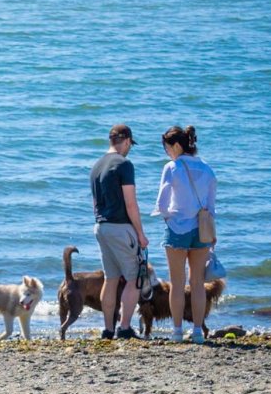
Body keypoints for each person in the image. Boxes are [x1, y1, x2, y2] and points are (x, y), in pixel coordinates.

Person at [153, 125, 217, 344]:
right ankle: (198, 331)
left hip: (177, 228)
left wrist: (169, 216)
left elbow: (161, 203)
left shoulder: (172, 167)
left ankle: (178, 332)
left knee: (177, 284)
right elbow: (210, 206)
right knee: (198, 283)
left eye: (167, 148)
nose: (166, 152)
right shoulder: (208, 169)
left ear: (177, 146)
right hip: (201, 229)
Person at [90, 123, 150, 340]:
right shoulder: (124, 164)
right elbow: (131, 203)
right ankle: (124, 327)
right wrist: (141, 234)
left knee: (111, 278)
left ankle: (107, 329)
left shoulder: (96, 166)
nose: (129, 149)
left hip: (101, 226)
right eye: (129, 145)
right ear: (125, 141)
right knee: (134, 278)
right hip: (120, 228)